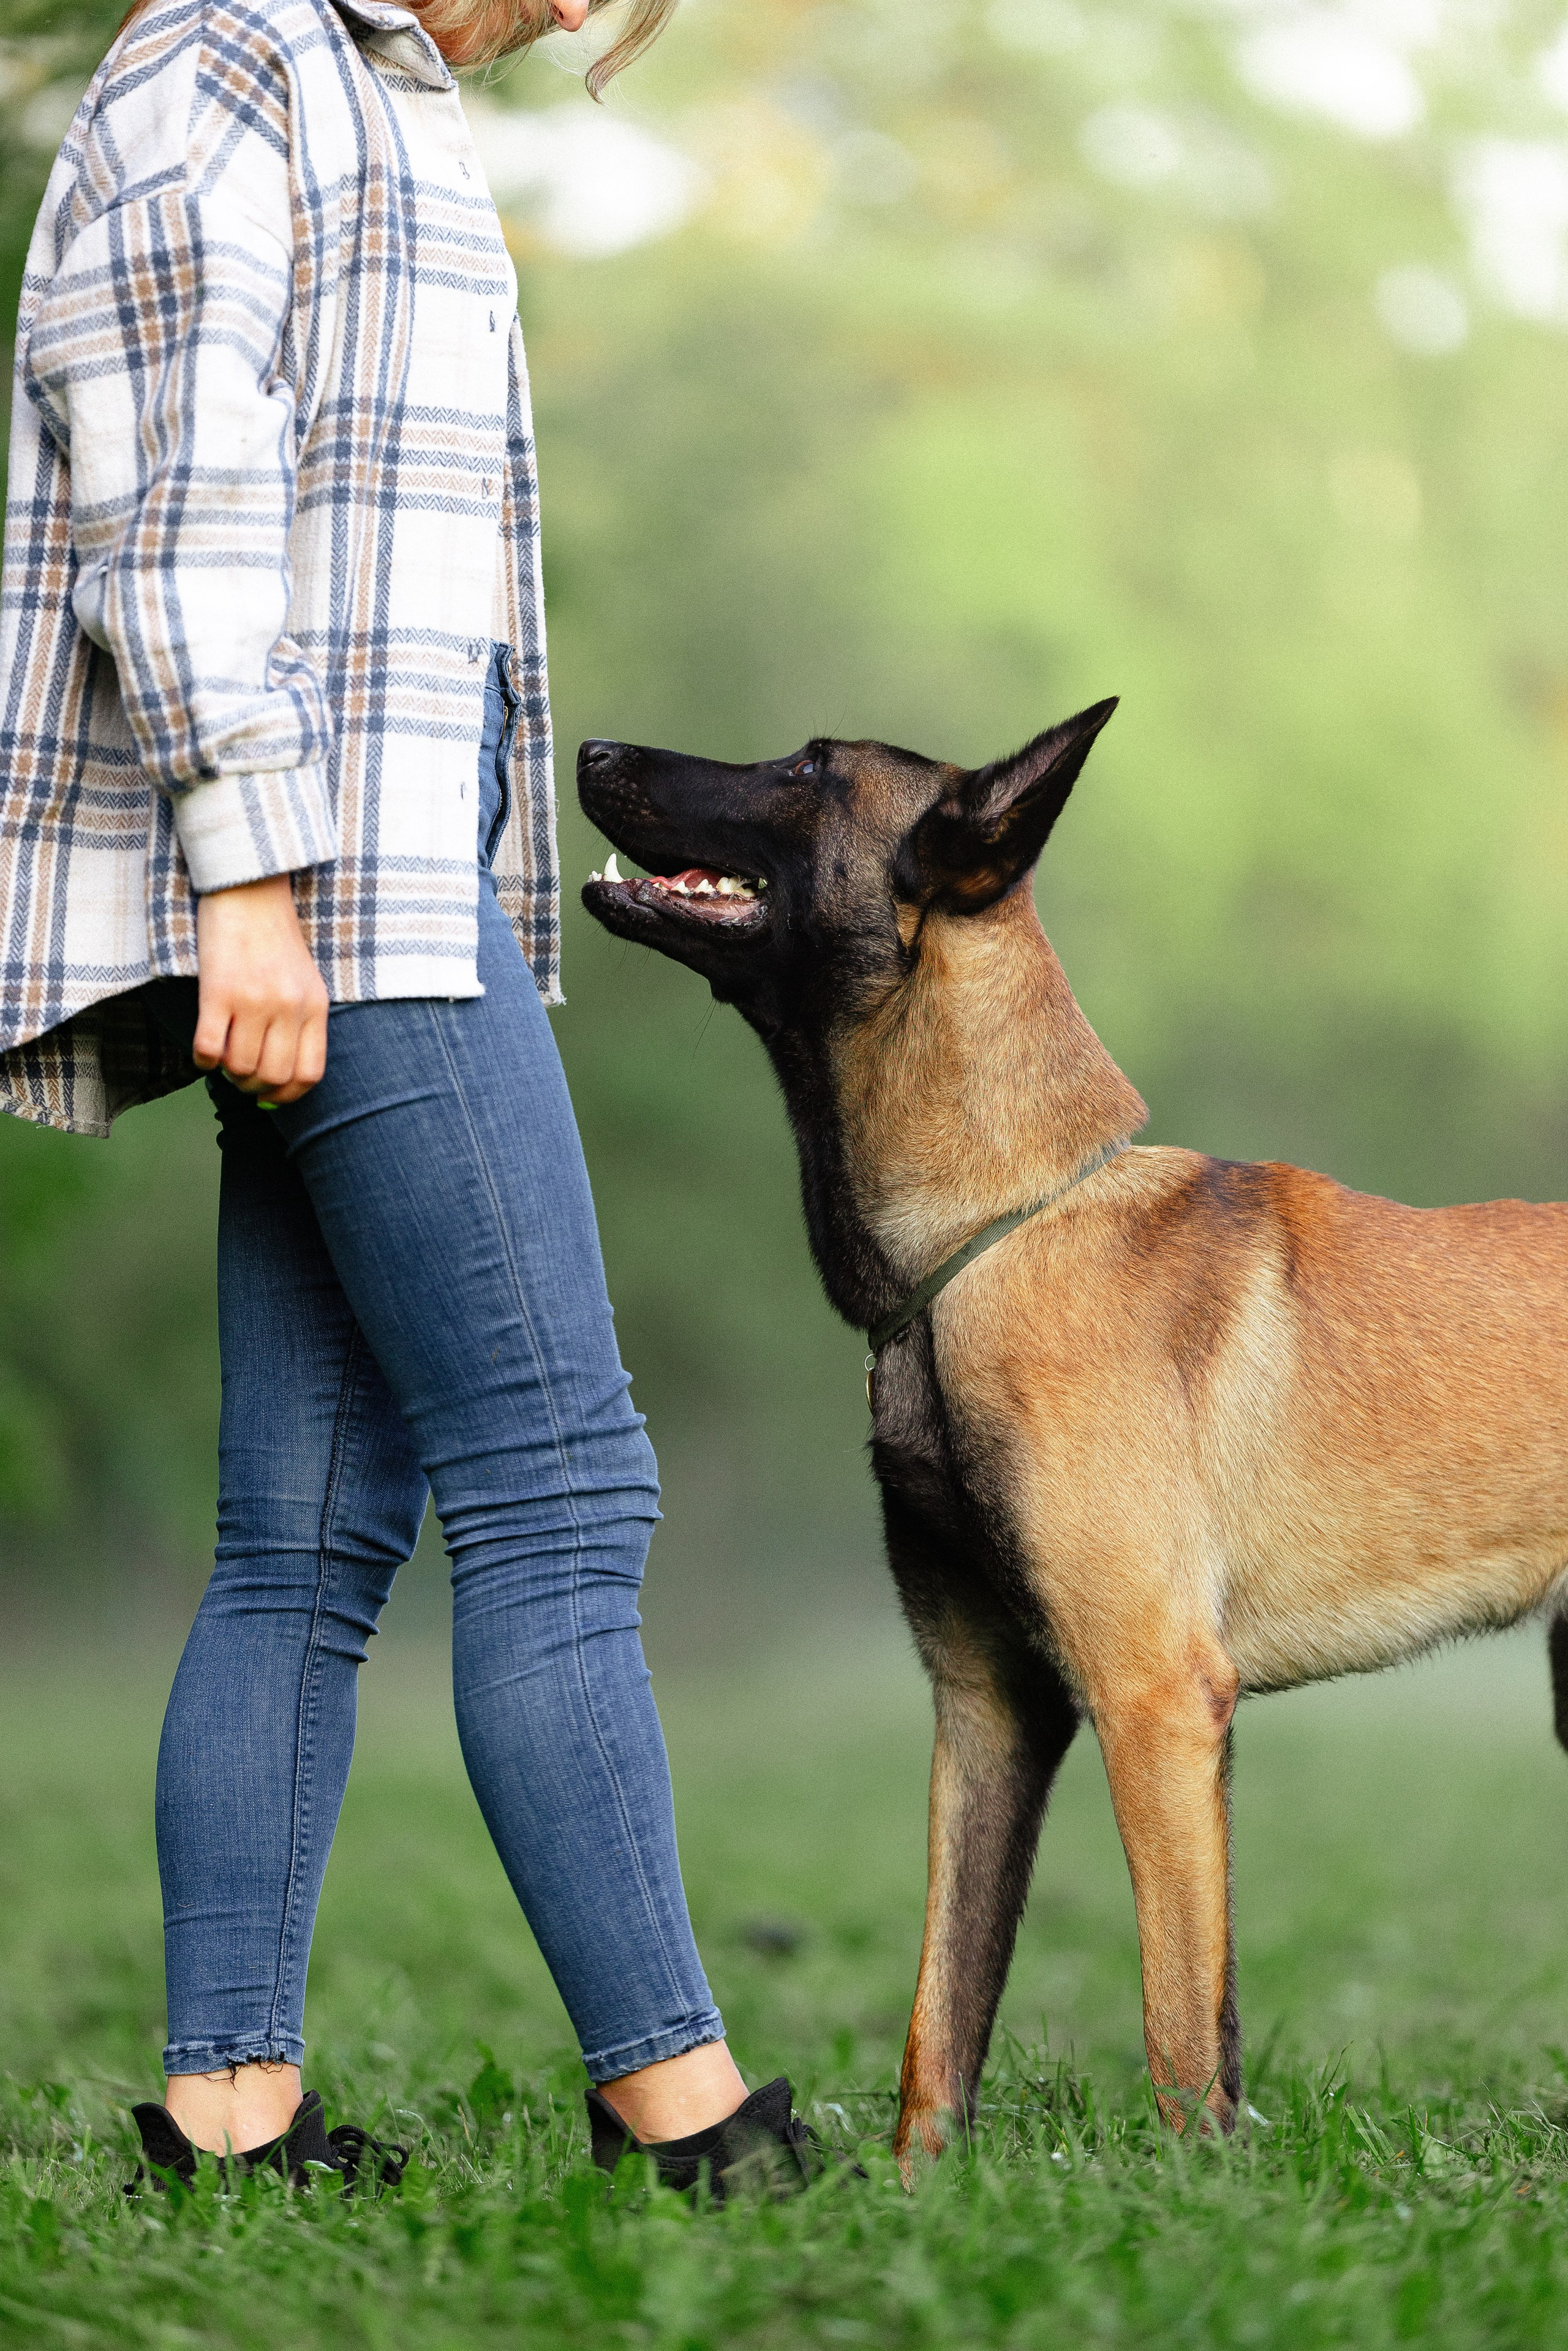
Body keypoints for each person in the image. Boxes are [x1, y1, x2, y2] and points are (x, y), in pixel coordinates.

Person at [0, 0, 816, 2197]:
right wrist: (248, 874)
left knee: (311, 1527)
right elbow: (168, 480)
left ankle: (227, 2113)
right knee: (563, 1482)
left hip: (385, 860)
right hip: (335, 875)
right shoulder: (233, 52)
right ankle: (688, 2113)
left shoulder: (390, 92)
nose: (575, 13)